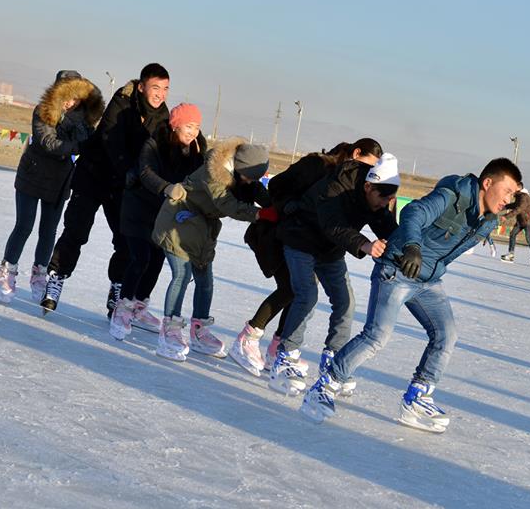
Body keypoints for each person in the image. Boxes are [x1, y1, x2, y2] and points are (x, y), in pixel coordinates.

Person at [301, 157, 522, 433]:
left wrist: (505, 213)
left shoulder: (486, 218)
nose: (509, 198)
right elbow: (413, 213)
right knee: (376, 336)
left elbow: (479, 228)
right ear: (487, 183)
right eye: (508, 191)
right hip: (398, 268)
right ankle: (325, 386)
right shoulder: (452, 194)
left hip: (428, 279)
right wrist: (413, 246)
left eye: (514, 194)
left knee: (446, 334)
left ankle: (417, 398)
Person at [231, 138, 384, 377]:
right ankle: (249, 338)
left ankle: (277, 348)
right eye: (368, 165)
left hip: (315, 241)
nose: (369, 173)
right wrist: (289, 205)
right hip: (282, 233)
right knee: (291, 290)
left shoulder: (354, 182)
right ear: (356, 153)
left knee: (298, 293)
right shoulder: (317, 165)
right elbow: (278, 185)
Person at [40, 64, 171, 315]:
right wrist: (131, 171)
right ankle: (56, 279)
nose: (160, 94)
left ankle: (117, 288)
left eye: (165, 89)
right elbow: (112, 140)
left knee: (125, 241)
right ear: (142, 87)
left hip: (122, 186)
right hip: (93, 175)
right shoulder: (121, 102)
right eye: (155, 88)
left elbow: (157, 152)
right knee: (76, 232)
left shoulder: (162, 116)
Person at [266, 153, 400, 394]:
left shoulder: (376, 198)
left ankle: (333, 360)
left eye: (389, 200)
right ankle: (285, 357)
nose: (383, 204)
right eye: (382, 198)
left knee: (345, 303)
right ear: (368, 186)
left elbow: (387, 226)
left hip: (330, 251)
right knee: (306, 296)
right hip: (301, 240)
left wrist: (408, 247)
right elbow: (332, 225)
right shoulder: (336, 186)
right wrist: (365, 245)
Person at [150, 138, 269, 361]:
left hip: (202, 228)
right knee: (182, 275)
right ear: (241, 167)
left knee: (205, 280)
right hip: (178, 221)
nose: (252, 182)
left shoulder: (244, 175)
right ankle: (170, 330)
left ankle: (199, 330)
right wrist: (259, 214)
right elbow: (227, 204)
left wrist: (276, 206)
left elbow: (258, 192)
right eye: (251, 177)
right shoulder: (214, 172)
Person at [0, 71, 104, 304]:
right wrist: (78, 147)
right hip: (32, 175)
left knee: (48, 231)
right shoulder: (43, 111)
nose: (70, 101)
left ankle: (39, 275)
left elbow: (93, 144)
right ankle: (8, 271)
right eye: (65, 94)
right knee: (24, 225)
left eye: (75, 96)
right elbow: (48, 142)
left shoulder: (83, 121)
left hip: (59, 181)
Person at [109, 104, 206, 340]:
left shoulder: (196, 151)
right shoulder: (154, 143)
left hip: (163, 215)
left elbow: (200, 179)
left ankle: (139, 306)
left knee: (156, 260)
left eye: (197, 127)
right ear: (175, 124)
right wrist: (166, 187)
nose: (193, 132)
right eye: (189, 126)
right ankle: (122, 308)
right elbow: (146, 172)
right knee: (140, 258)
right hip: (138, 208)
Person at [499, 188, 530, 266]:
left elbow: (519, 208)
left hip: (527, 221)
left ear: (518, 189)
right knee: (513, 234)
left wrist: (506, 216)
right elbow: (514, 205)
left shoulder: (523, 197)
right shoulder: (519, 197)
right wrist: (503, 207)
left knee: (529, 239)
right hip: (520, 221)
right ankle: (511, 255)